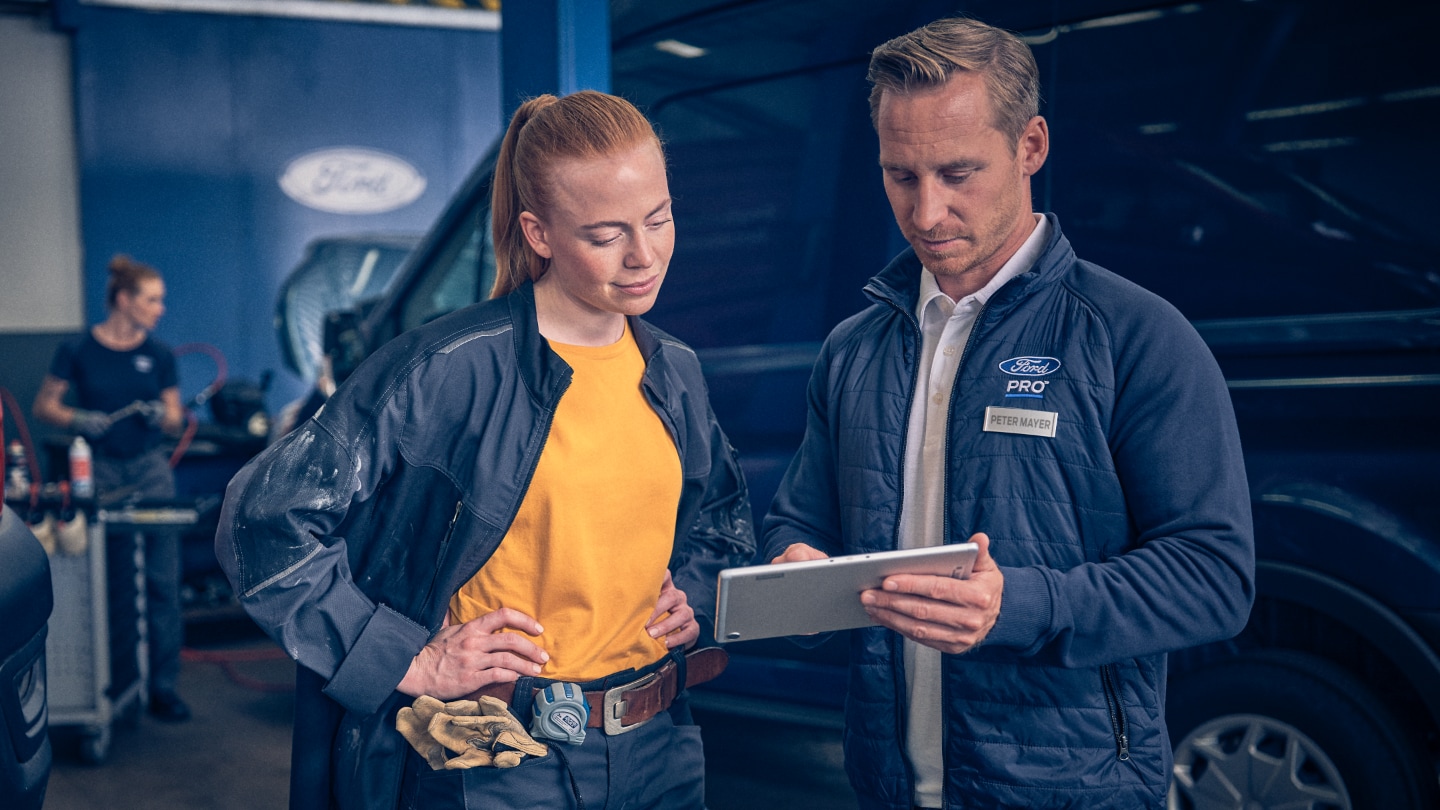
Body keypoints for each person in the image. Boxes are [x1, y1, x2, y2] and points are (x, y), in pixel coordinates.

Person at [761, 16, 1255, 809]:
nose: (926, 213)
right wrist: (795, 571)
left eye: (959, 173)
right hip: (889, 785)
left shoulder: (1135, 336)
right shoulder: (854, 349)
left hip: (1074, 791)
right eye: (900, 175)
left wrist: (1017, 605)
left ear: (1031, 146)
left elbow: (1214, 578)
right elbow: (797, 521)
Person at [214, 90, 754, 810]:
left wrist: (697, 590)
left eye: (659, 219)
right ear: (539, 233)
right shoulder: (448, 369)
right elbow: (264, 521)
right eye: (605, 235)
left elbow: (720, 513)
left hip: (659, 749)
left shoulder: (674, 370)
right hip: (495, 753)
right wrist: (406, 657)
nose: (644, 254)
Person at [33, 254, 190, 722]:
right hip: (99, 472)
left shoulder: (159, 355)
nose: (160, 308)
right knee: (107, 580)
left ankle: (163, 688)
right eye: (152, 299)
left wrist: (159, 415)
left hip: (149, 469)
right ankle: (113, 683)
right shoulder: (78, 350)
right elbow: (45, 406)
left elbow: (176, 416)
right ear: (123, 300)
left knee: (163, 581)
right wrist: (79, 418)